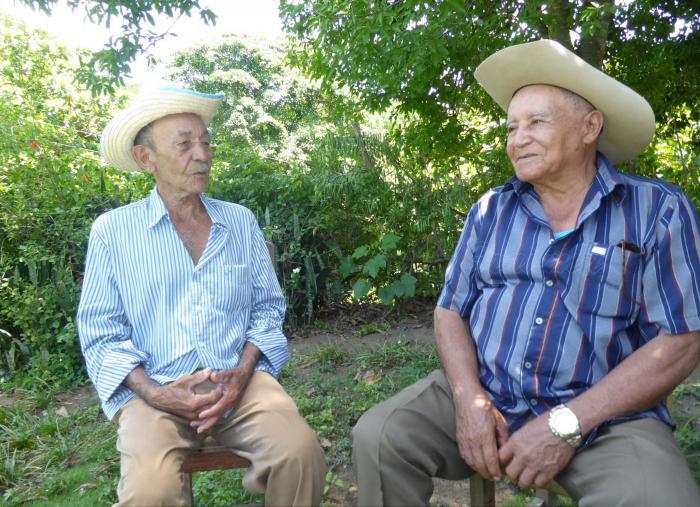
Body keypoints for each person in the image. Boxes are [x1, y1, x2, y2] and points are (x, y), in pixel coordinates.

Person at [352, 39, 700, 506]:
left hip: (605, 418)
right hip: (489, 393)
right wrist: (468, 399)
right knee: (380, 435)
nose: (518, 138)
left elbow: (683, 339)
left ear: (589, 127)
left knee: (658, 498)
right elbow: (449, 311)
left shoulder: (656, 209)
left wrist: (568, 423)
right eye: (512, 127)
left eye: (537, 122)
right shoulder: (491, 209)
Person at [77, 86, 325, 506]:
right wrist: (155, 393)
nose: (203, 154)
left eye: (206, 142)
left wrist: (244, 370)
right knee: (148, 493)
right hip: (155, 392)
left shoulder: (239, 222)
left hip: (239, 384)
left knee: (300, 454)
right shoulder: (113, 232)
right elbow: (100, 333)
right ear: (146, 159)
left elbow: (267, 309)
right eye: (185, 144)